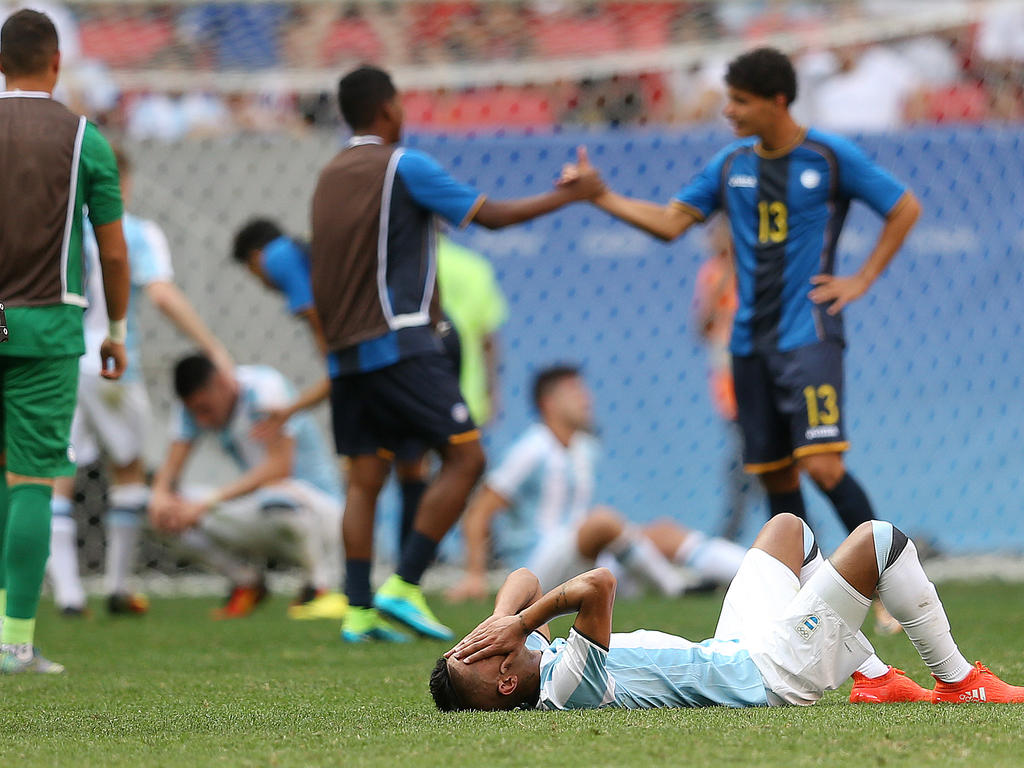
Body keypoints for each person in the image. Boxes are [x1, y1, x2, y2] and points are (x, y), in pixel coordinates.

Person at [563, 47, 921, 541]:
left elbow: (904, 208)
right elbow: (670, 223)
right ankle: (802, 596)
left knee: (823, 467)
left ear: (777, 102)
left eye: (740, 100)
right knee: (776, 475)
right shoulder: (730, 164)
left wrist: (862, 279)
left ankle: (887, 582)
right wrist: (600, 197)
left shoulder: (830, 157)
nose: (727, 110)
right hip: (748, 345)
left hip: (809, 337)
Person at [311, 65, 599, 643]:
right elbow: (487, 215)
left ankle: (359, 610)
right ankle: (406, 584)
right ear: (390, 109)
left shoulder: (330, 174)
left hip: (345, 354)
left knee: (365, 478)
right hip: (400, 341)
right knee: (467, 458)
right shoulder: (402, 164)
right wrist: (570, 197)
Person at [432, 513, 1024, 711]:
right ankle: (959, 683)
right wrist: (522, 622)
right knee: (879, 541)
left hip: (733, 652)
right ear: (506, 680)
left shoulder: (523, 656)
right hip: (769, 676)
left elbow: (522, 579)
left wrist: (504, 617)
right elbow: (598, 585)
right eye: (475, 657)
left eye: (468, 642)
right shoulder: (563, 688)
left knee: (787, 530)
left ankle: (872, 680)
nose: (478, 643)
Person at [46, 147, 233, 618]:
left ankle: (68, 596)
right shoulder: (134, 231)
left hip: (61, 359)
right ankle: (115, 587)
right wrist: (212, 347)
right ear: (120, 183)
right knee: (127, 471)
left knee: (57, 476)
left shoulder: (60, 231)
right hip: (111, 361)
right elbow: (161, 292)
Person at [0, 9, 129, 674]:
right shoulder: (87, 139)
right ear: (55, 64)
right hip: (49, 328)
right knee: (29, 480)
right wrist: (116, 331)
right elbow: (113, 250)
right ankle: (13, 641)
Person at [446, 365, 746, 602]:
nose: (586, 398)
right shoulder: (531, 450)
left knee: (664, 532)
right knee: (601, 522)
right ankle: (675, 588)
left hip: (579, 560)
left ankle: (759, 571)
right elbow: (479, 511)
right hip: (537, 568)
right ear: (548, 403)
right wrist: (474, 574)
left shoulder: (583, 447)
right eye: (574, 391)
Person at [147, 354, 345, 620]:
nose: (202, 420)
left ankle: (319, 586)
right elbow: (169, 473)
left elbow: (279, 469)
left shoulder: (264, 388)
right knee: (163, 512)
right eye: (196, 412)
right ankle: (246, 582)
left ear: (219, 383)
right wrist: (159, 497)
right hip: (262, 511)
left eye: (204, 409)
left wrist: (206, 504)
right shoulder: (192, 407)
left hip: (318, 509)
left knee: (278, 497)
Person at [692, 216, 757, 541]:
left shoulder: (756, 269)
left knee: (753, 464)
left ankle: (728, 539)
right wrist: (727, 270)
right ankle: (730, 539)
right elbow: (701, 325)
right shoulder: (712, 273)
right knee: (749, 461)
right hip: (730, 384)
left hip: (762, 379)